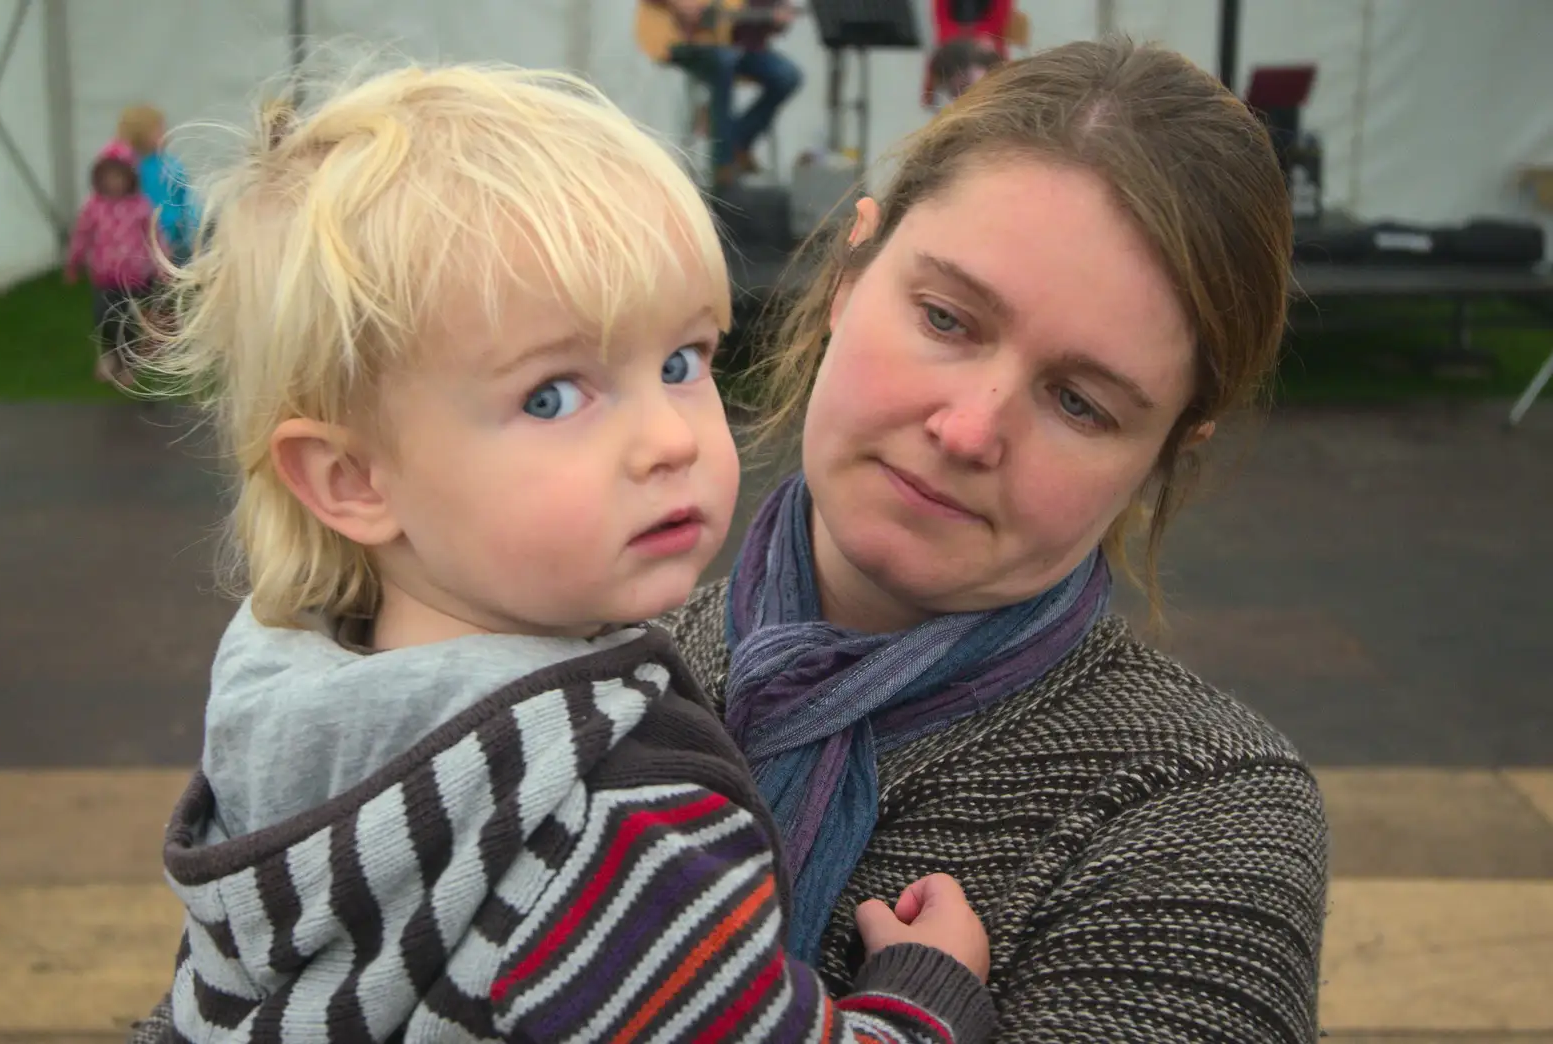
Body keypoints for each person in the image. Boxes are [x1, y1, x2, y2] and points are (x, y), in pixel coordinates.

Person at [128, 63, 998, 1043]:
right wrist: (926, 999)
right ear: (351, 480)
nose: (669, 439)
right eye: (552, 395)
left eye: (682, 362)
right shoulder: (608, 818)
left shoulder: (277, 704)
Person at [659, 37, 1326, 1040]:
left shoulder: (1200, 817)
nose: (968, 431)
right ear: (851, 273)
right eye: (945, 318)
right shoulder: (595, 670)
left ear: (1161, 453)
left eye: (1077, 402)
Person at [649, 0, 803, 186]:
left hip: (742, 48)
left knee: (787, 75)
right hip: (688, 42)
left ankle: (737, 141)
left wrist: (777, 20)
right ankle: (722, 162)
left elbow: (761, 20)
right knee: (724, 62)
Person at [64, 139, 162, 388]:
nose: (114, 182)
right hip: (104, 275)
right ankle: (109, 354)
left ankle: (129, 361)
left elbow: (154, 236)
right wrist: (74, 263)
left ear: (130, 178)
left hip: (135, 276)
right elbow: (81, 235)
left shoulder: (141, 207)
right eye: (108, 177)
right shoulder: (93, 207)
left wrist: (163, 265)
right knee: (104, 317)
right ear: (99, 178)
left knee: (127, 320)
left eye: (119, 177)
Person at [117, 104, 197, 265]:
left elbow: (184, 198)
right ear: (141, 132)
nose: (165, 133)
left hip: (173, 237)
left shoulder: (170, 165)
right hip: (140, 239)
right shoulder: (128, 166)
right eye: (158, 129)